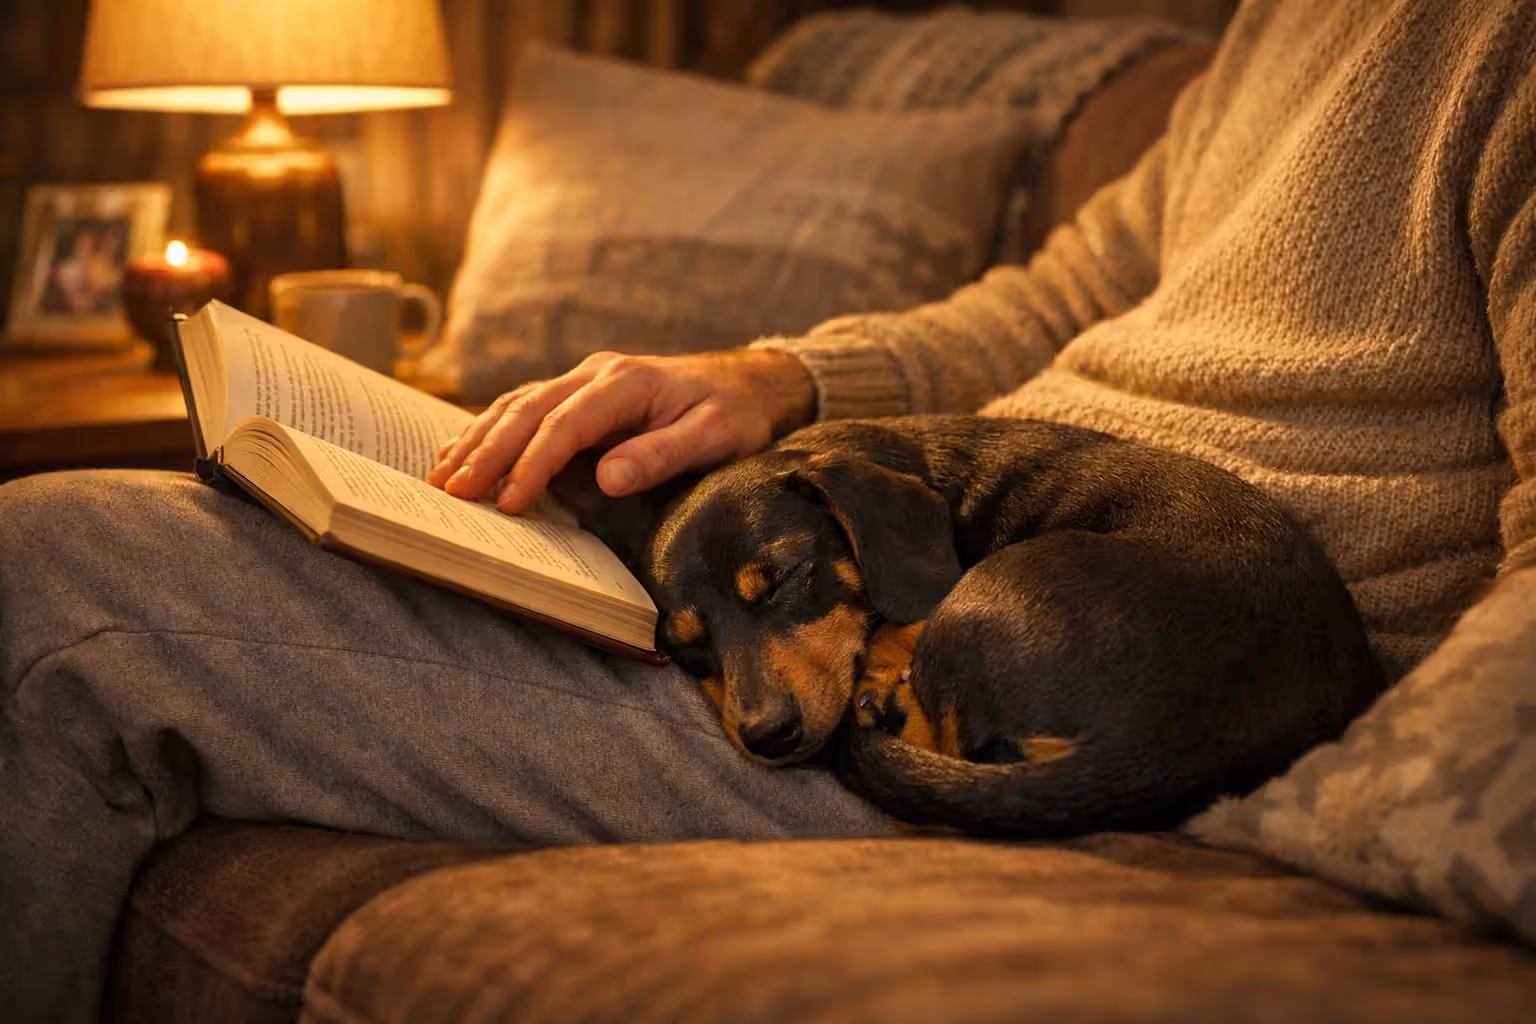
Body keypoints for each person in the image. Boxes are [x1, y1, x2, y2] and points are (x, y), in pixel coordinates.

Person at [3, 0, 1533, 1018]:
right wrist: (774, 377)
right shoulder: (1280, 27)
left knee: (63, 581)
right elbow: (1064, 290)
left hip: (1130, 675)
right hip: (970, 525)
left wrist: (1341, 808)